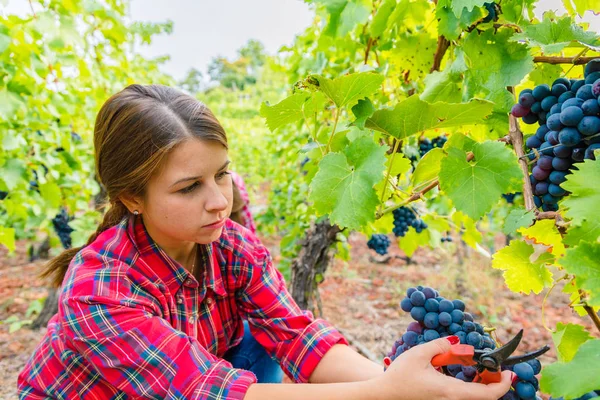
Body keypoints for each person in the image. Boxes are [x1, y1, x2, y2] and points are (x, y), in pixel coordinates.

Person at [17, 84, 512, 399]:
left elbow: (297, 337)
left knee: (261, 339)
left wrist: (393, 374)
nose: (218, 201)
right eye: (190, 187)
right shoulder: (97, 289)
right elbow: (205, 391)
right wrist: (385, 392)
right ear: (132, 198)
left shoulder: (230, 245)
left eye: (223, 175)